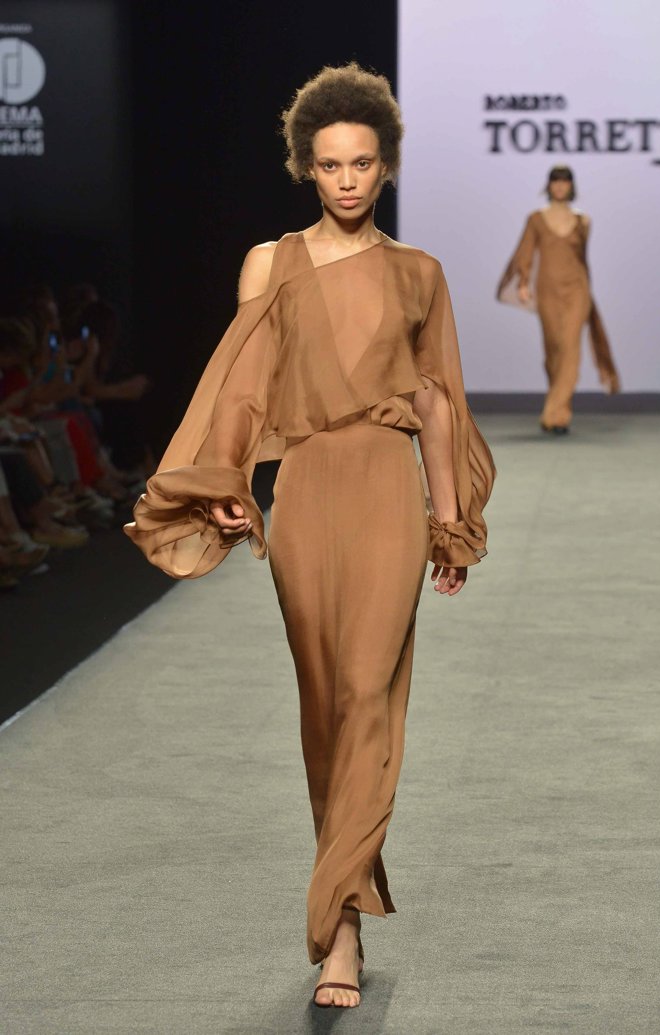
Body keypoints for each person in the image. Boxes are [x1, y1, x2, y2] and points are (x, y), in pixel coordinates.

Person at [125, 62, 495, 1009]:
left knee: (368, 688)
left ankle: (338, 926)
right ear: (306, 167)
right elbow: (241, 387)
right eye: (330, 164)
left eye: (361, 163)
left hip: (385, 488)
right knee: (326, 701)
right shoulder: (271, 264)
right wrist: (229, 480)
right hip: (307, 492)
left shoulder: (419, 273)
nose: (347, 179)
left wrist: (449, 522)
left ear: (386, 166)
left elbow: (435, 403)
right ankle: (349, 915)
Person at [497, 165, 620, 434]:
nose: (560, 185)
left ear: (571, 186)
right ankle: (558, 404)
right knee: (553, 350)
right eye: (556, 181)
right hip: (548, 291)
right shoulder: (536, 219)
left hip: (577, 290)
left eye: (565, 181)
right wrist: (524, 282)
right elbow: (525, 252)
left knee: (570, 348)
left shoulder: (583, 221)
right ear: (549, 185)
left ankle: (556, 415)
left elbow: (582, 260)